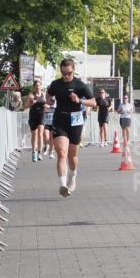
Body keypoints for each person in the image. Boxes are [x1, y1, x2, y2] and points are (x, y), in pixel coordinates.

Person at [46, 58, 97, 197]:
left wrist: (80, 100)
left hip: (75, 121)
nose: (66, 76)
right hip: (60, 119)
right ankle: (62, 185)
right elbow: (49, 94)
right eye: (63, 73)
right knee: (62, 153)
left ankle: (72, 175)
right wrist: (49, 99)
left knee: (72, 156)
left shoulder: (80, 85)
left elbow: (93, 102)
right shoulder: (56, 84)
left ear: (73, 69)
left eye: (68, 73)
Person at [23, 83, 46, 161]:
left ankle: (39, 152)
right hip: (33, 116)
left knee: (40, 134)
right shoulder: (31, 95)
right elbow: (24, 106)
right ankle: (34, 152)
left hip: (41, 116)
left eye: (39, 86)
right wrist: (31, 104)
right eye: (36, 86)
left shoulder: (44, 94)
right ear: (33, 87)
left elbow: (48, 104)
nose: (37, 88)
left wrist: (47, 106)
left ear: (41, 86)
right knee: (34, 135)